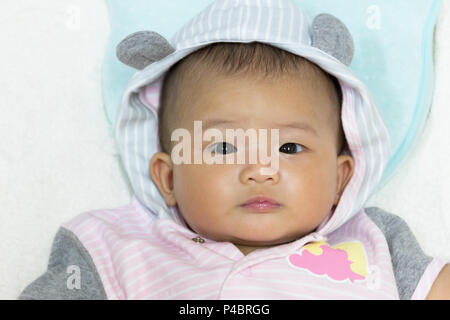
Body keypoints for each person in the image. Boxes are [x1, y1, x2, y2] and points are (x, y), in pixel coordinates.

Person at [19, 0, 449, 299]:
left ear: (341, 176)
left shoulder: (373, 241)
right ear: (169, 178)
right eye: (224, 146)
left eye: (290, 146)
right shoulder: (112, 246)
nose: (261, 170)